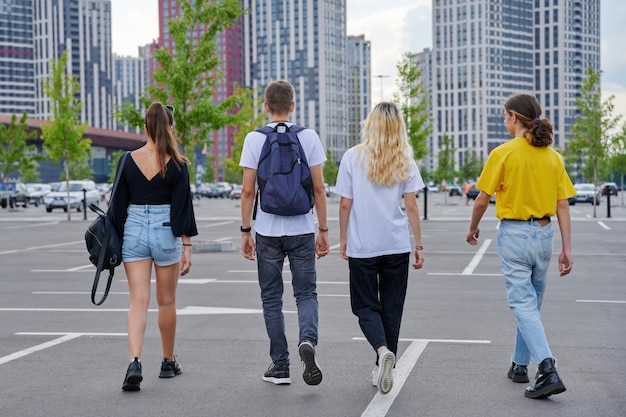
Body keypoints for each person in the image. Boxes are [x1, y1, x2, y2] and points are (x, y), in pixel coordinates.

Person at [465, 93, 575, 399]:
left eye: (504, 116)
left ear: (515, 118)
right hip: (544, 234)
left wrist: (473, 228)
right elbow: (562, 205)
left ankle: (548, 368)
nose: (504, 121)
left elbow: (483, 198)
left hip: (514, 235)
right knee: (532, 304)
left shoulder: (503, 153)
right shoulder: (553, 157)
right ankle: (518, 364)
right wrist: (567, 248)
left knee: (523, 305)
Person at [239, 80, 330, 386]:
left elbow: (248, 191)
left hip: (267, 230)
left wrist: (245, 231)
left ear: (266, 106)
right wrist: (324, 230)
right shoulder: (309, 136)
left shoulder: (254, 138)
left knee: (271, 298)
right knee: (306, 293)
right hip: (303, 227)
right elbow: (318, 187)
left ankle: (280, 365)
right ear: (293, 106)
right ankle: (308, 340)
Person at [335, 102, 425, 395]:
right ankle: (383, 364)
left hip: (364, 245)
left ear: (370, 123)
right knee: (392, 308)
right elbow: (411, 206)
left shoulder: (352, 157)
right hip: (396, 244)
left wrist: (343, 236)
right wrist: (419, 245)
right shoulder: (405, 161)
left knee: (364, 306)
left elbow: (345, 203)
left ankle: (382, 351)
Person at [110, 102, 198, 392]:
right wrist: (186, 245)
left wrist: (117, 240)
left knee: (138, 301)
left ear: (145, 127)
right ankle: (167, 361)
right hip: (165, 231)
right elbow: (183, 208)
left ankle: (134, 361)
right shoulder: (178, 164)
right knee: (167, 302)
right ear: (170, 127)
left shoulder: (127, 160)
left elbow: (118, 206)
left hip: (133, 228)